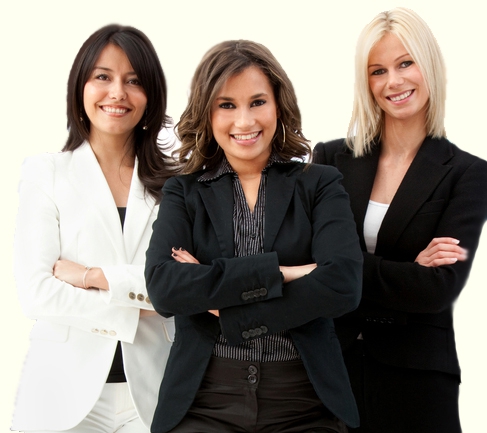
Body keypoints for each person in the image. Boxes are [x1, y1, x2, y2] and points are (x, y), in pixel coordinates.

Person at [144, 39, 363, 433]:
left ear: (278, 105)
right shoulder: (184, 192)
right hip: (204, 399)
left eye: (257, 102)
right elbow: (164, 287)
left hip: (303, 400)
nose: (244, 122)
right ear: (207, 112)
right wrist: (283, 272)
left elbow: (343, 283)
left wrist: (227, 308)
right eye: (227, 105)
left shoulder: (319, 184)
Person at [313, 7, 487, 433]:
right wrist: (408, 271)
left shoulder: (468, 173)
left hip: (418, 385)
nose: (393, 81)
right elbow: (307, 262)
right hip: (330, 373)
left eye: (405, 63)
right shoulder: (331, 159)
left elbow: (437, 289)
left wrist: (340, 268)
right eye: (378, 71)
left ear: (429, 66)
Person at [12, 24, 177, 433]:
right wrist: (139, 308)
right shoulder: (45, 173)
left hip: (154, 393)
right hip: (60, 395)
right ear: (80, 87)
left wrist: (91, 277)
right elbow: (36, 293)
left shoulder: (177, 184)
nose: (117, 92)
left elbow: (185, 285)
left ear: (151, 95)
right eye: (103, 76)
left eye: (134, 81)